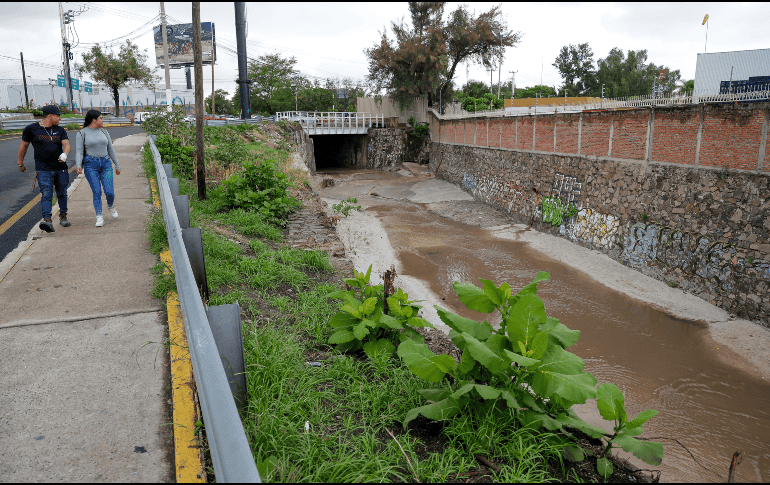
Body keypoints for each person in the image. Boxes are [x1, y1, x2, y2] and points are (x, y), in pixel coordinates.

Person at [18, 105, 72, 232]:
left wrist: (65, 154)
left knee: (62, 194)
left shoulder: (60, 130)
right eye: (58, 116)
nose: (59, 118)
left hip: (61, 169)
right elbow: (23, 147)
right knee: (46, 194)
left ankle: (63, 216)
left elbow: (67, 144)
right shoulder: (31, 129)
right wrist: (20, 163)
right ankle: (47, 220)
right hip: (43, 169)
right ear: (50, 116)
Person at [75, 109, 121, 227]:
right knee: (97, 192)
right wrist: (78, 164)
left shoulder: (104, 132)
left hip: (106, 164)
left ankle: (110, 206)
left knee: (109, 191)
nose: (103, 120)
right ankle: (99, 216)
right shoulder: (82, 133)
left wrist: (117, 165)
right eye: (101, 118)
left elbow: (111, 149)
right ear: (94, 120)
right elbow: (79, 152)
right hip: (91, 165)